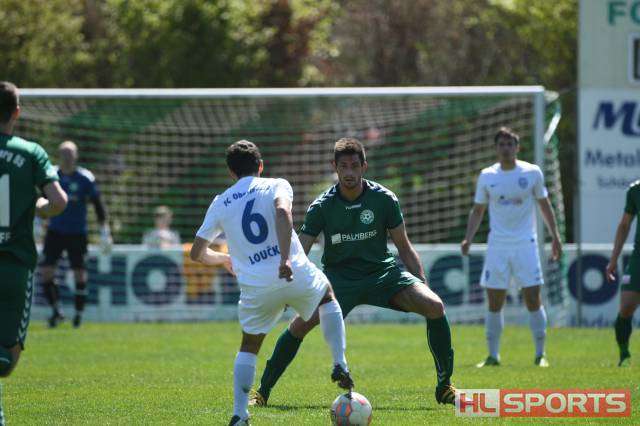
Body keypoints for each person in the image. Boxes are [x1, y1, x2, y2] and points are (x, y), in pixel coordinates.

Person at [251, 137, 458, 408]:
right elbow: (300, 250)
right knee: (298, 326)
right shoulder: (322, 206)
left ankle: (444, 387)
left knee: (435, 306)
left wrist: (421, 283)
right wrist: (291, 282)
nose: (349, 172)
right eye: (343, 167)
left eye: (354, 166)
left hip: (383, 274)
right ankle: (262, 392)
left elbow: (404, 247)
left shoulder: (384, 199)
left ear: (364, 166)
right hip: (339, 281)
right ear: (334, 167)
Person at [190, 140, 353, 426]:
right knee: (327, 297)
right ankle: (339, 362)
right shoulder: (277, 185)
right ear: (261, 166)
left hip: (256, 285)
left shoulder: (221, 202)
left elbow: (197, 253)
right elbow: (282, 212)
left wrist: (223, 259)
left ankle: (240, 414)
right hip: (293, 272)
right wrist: (284, 259)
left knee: (249, 346)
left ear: (231, 172)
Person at [461, 127, 562, 368]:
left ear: (517, 147)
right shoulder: (487, 176)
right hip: (498, 246)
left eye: (510, 144)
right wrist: (468, 238)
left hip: (526, 244)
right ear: (496, 149)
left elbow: (544, 204)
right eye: (501, 144)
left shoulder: (532, 172)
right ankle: (493, 356)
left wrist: (555, 236)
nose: (506, 148)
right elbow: (478, 210)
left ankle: (540, 354)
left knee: (533, 298)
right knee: (495, 301)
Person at [0, 81, 68, 425]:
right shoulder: (30, 152)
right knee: (7, 363)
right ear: (16, 112)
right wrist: (40, 207)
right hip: (15, 264)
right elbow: (58, 201)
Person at [40, 140, 111, 328]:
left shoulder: (85, 178)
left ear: (76, 156)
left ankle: (78, 314)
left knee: (80, 274)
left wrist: (105, 231)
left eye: (70, 154)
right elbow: (41, 199)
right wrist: (37, 223)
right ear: (59, 155)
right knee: (46, 271)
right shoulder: (51, 175)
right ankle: (56, 311)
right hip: (55, 231)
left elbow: (98, 205)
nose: (67, 158)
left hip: (77, 233)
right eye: (64, 154)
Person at [606, 180, 640, 367]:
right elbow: (625, 225)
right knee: (627, 305)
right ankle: (624, 354)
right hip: (639, 257)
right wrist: (613, 259)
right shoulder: (635, 190)